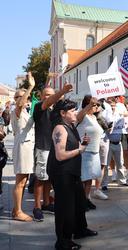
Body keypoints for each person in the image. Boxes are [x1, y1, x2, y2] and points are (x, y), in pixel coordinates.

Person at [47, 99, 97, 250]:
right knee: (65, 208)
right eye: (72, 110)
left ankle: (80, 230)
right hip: (62, 174)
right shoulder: (59, 129)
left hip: (72, 172)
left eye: (75, 109)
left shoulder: (70, 125)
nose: (75, 112)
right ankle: (63, 242)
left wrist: (83, 144)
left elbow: (80, 116)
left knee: (80, 204)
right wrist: (80, 150)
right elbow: (60, 155)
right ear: (63, 113)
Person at [32, 82, 73, 222]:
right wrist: (62, 91)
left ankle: (46, 203)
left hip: (54, 148)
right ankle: (37, 207)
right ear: (41, 96)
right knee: (40, 178)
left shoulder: (55, 110)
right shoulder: (39, 107)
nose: (49, 97)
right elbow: (49, 101)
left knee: (49, 177)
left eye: (51, 94)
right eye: (47, 94)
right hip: (43, 147)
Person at [11, 72, 35, 222]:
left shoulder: (25, 111)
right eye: (20, 96)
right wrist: (30, 86)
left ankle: (16, 208)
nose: (24, 98)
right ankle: (18, 211)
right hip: (22, 147)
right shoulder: (17, 110)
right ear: (16, 99)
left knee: (24, 180)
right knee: (20, 181)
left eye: (25, 95)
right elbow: (20, 104)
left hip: (27, 147)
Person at [76, 95, 103, 210]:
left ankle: (86, 199)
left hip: (94, 151)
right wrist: (89, 105)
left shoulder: (93, 117)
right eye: (94, 104)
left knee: (89, 179)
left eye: (97, 104)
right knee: (84, 178)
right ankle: (80, 201)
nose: (96, 106)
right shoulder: (83, 115)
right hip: (85, 151)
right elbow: (78, 116)